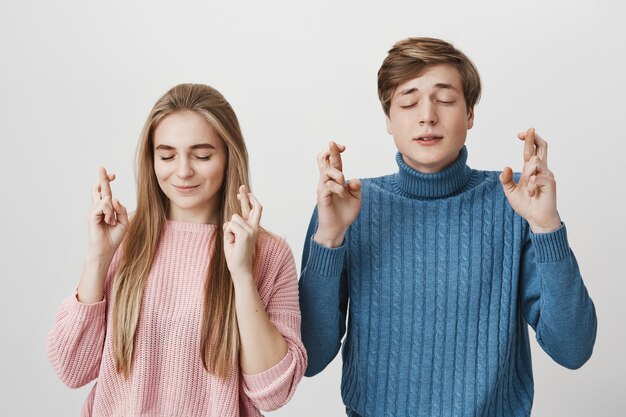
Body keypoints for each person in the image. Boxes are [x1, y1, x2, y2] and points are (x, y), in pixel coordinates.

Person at [299, 37, 597, 417]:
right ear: (388, 119)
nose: (427, 115)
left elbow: (573, 349)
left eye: (445, 99)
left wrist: (546, 226)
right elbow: (309, 358)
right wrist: (328, 238)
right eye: (408, 102)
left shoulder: (515, 202)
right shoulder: (349, 205)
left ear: (470, 114)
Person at [46, 83, 306, 417]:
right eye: (167, 155)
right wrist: (98, 257)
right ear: (151, 159)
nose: (183, 171)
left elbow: (274, 393)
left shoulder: (267, 253)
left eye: (202, 155)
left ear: (229, 156)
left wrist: (241, 275)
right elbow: (71, 368)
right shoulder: (123, 239)